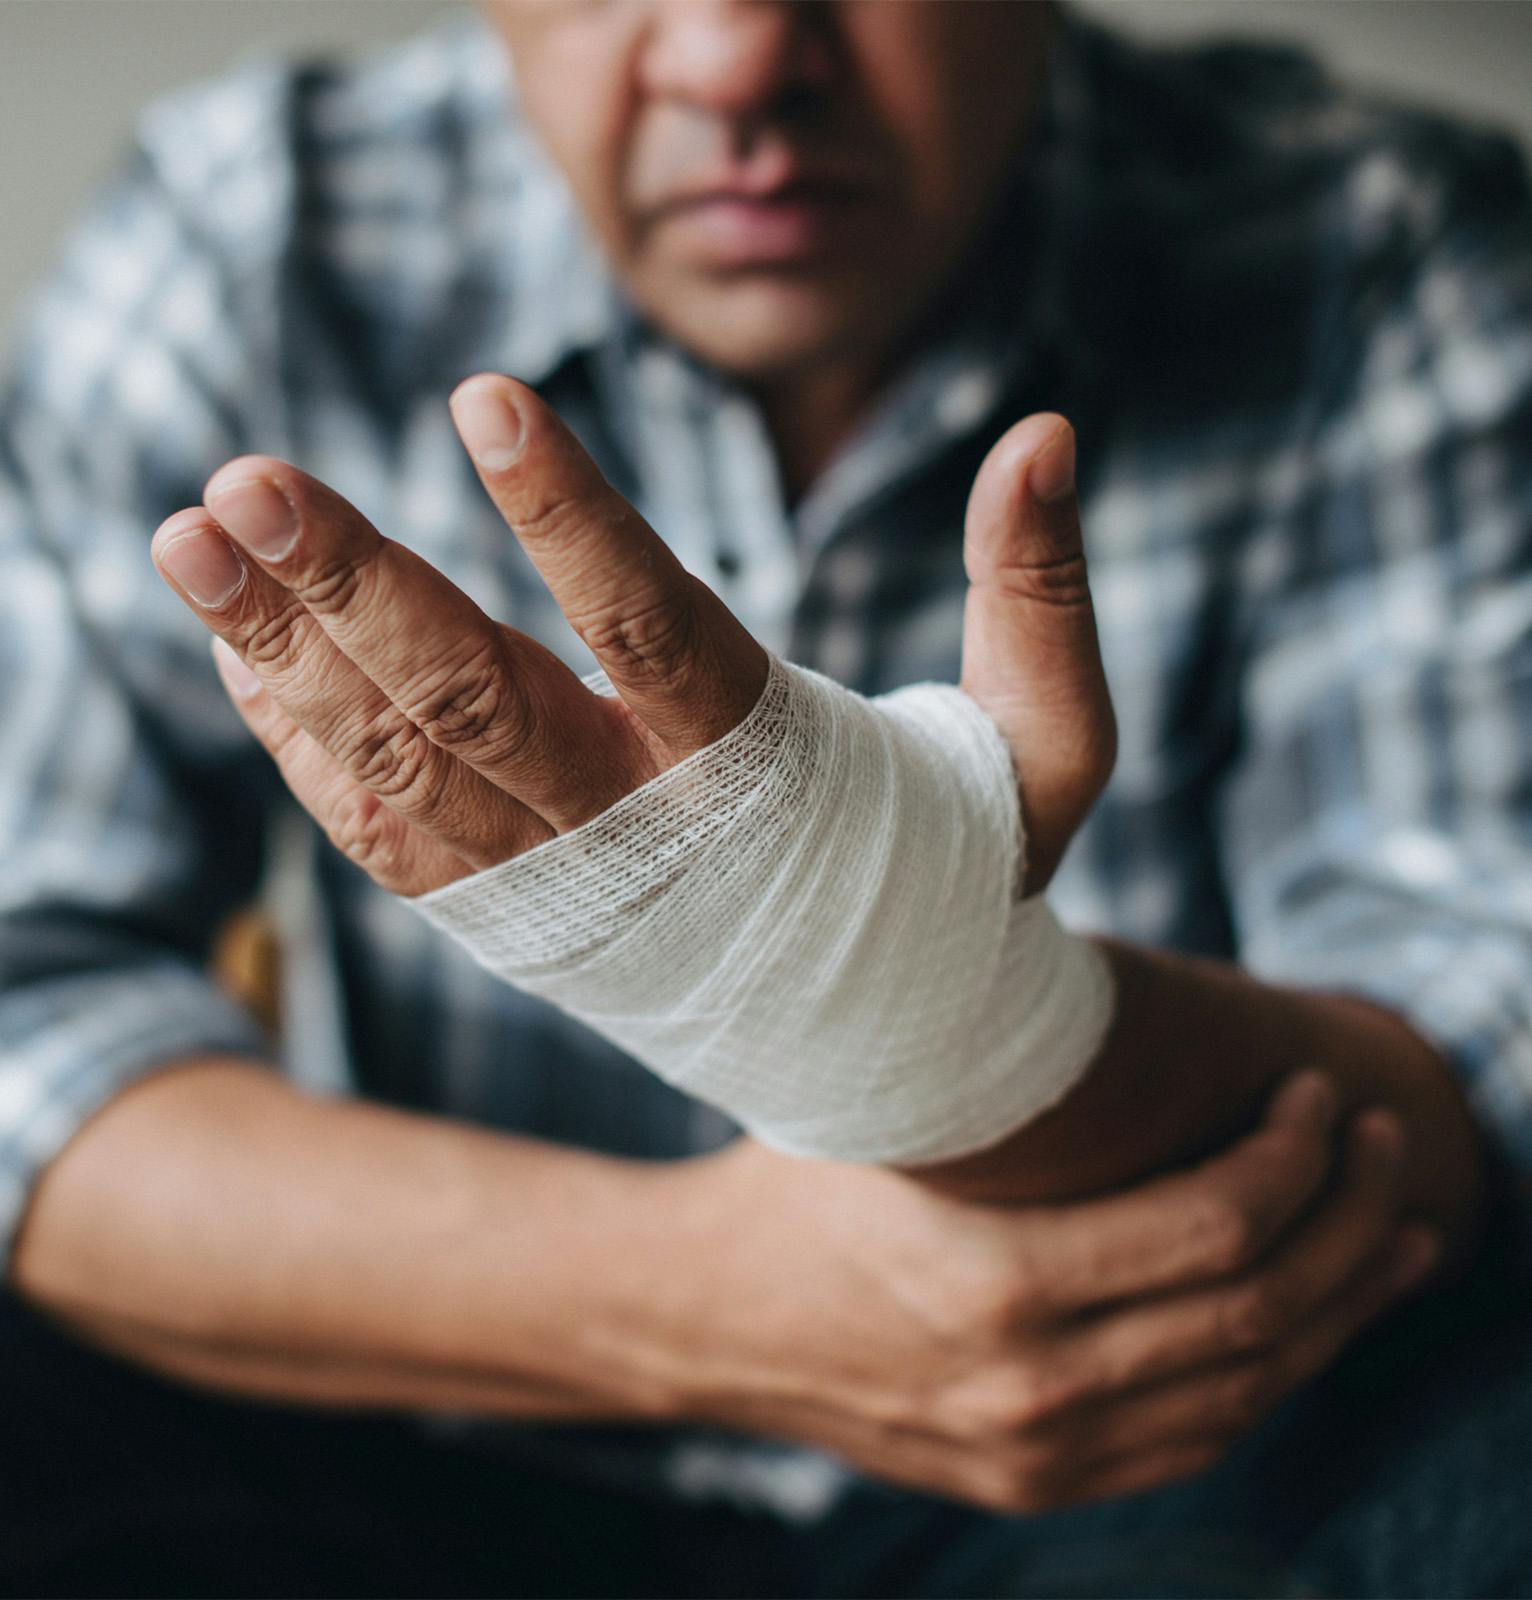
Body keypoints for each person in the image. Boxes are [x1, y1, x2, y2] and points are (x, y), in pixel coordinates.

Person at [1, 1, 1529, 1593]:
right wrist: (698, 1300)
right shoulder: (247, 231)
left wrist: (944, 1030)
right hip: (427, 1450)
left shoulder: (1374, 252)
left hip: (1141, 1448)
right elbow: (20, 1018)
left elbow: (1469, 1061)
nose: (736, 61)